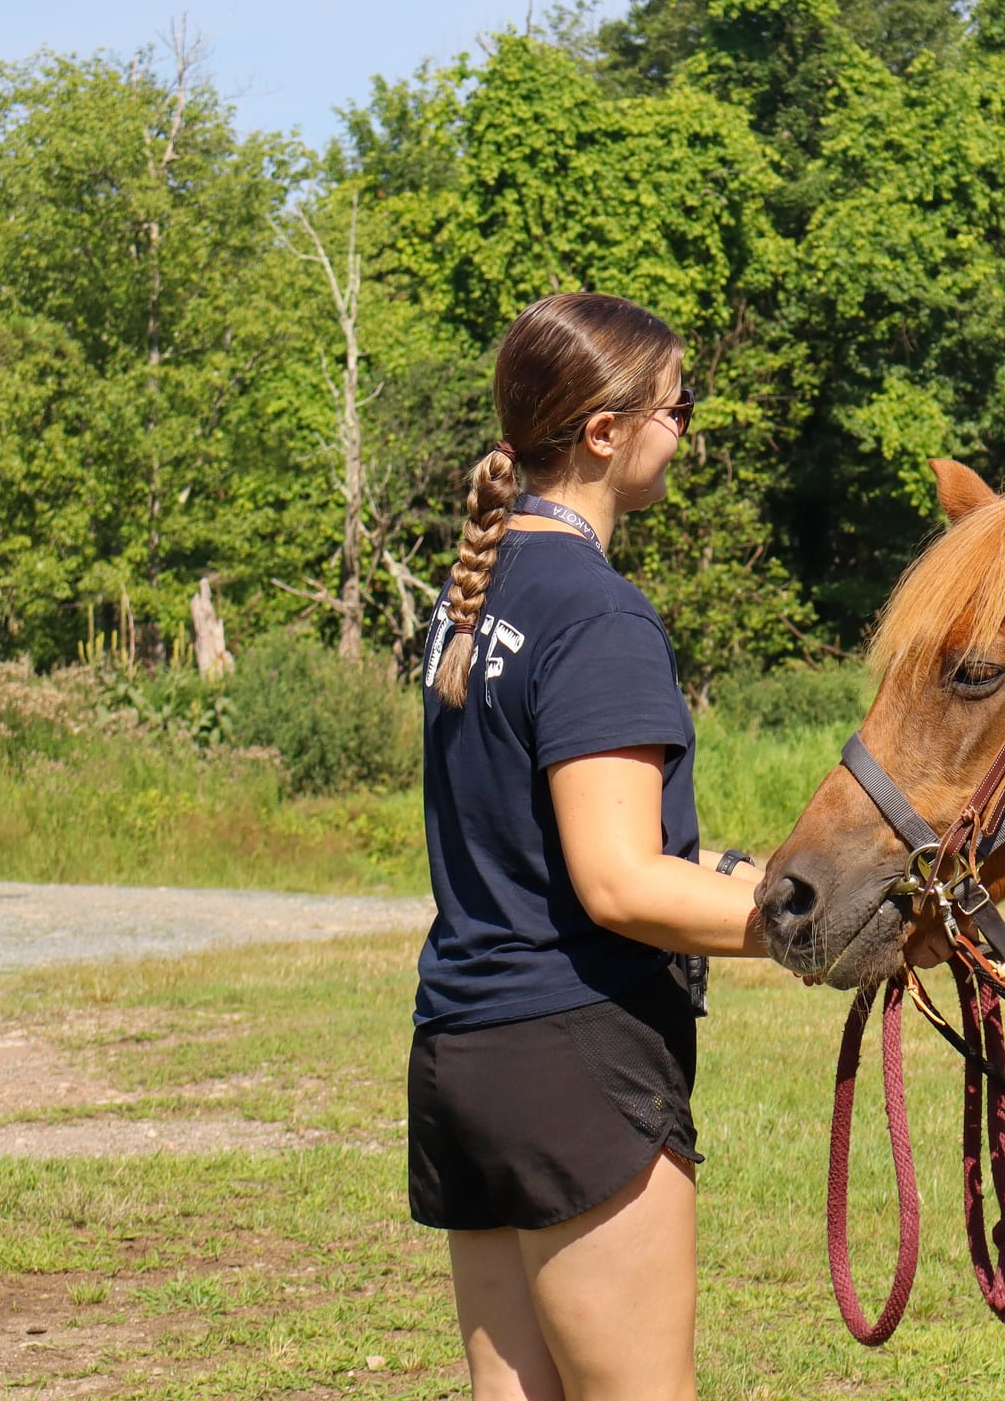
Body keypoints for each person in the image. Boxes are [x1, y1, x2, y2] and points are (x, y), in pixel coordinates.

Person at [409, 291, 766, 1400]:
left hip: (467, 1051)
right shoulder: (598, 612)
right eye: (677, 404)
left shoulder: (477, 594)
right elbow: (616, 881)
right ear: (605, 433)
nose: (687, 427)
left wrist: (759, 876)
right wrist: (810, 930)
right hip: (576, 1066)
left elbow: (551, 848)